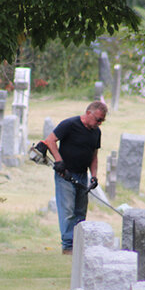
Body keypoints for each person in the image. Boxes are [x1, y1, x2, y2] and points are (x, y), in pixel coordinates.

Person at [43, 100, 107, 254]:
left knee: (80, 212)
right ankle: (68, 246)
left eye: (102, 121)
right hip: (65, 175)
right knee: (68, 210)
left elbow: (94, 156)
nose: (99, 123)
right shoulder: (69, 124)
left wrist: (94, 177)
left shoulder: (96, 132)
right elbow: (50, 141)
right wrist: (59, 161)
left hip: (82, 175)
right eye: (98, 119)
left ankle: (78, 245)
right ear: (88, 113)